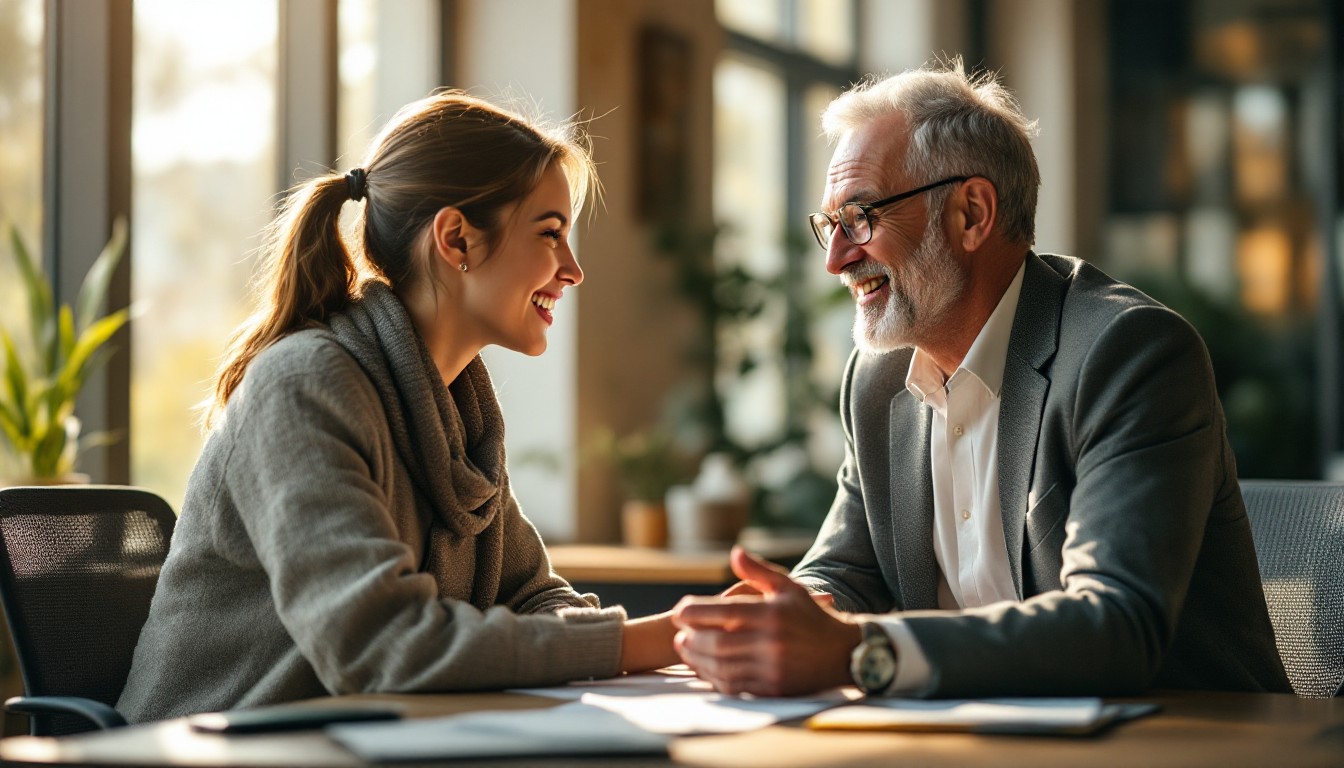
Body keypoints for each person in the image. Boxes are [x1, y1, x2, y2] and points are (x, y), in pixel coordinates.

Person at [671, 61, 1291, 699]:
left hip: (1189, 738)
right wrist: (798, 612)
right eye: (831, 224)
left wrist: (861, 652)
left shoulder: (1128, 355)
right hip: (976, 736)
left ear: (971, 213)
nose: (836, 258)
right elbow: (847, 568)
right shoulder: (878, 379)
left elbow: (1117, 624)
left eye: (860, 217)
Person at [118, 91, 676, 723]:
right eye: (551, 234)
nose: (572, 270)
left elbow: (531, 594)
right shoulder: (303, 386)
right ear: (457, 239)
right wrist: (655, 639)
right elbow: (381, 647)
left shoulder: (458, 412)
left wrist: (632, 640)